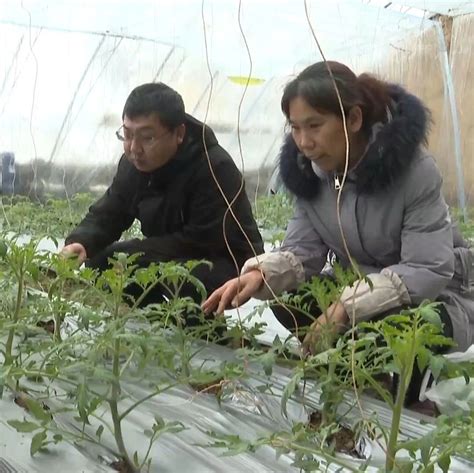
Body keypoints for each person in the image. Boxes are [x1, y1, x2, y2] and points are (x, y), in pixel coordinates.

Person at [203, 61, 474, 362]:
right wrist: (259, 274)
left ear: (354, 119)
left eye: (315, 126)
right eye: (295, 127)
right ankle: (343, 363)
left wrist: (346, 307)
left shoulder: (414, 172)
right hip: (361, 286)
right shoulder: (310, 173)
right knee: (291, 303)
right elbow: (303, 249)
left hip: (437, 297)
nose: (304, 142)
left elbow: (427, 269)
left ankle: (395, 383)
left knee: (399, 334)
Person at [63, 82, 264, 309]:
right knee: (105, 263)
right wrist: (81, 241)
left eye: (147, 138)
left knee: (181, 278)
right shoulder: (134, 164)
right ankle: (153, 327)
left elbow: (202, 241)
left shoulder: (214, 167)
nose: (134, 148)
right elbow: (112, 210)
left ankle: (207, 338)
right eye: (127, 135)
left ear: (178, 134)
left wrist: (132, 252)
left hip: (229, 261)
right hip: (170, 253)